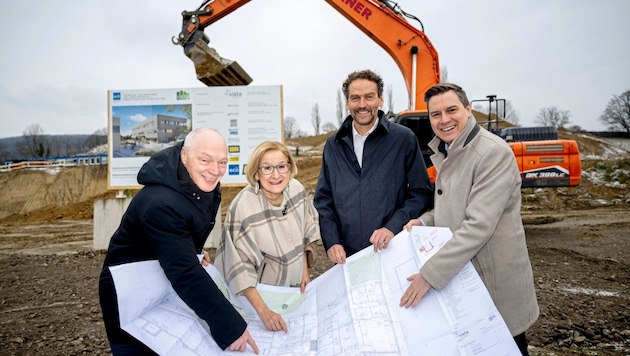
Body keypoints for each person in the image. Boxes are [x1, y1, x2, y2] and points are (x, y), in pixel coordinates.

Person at [400, 83, 539, 355]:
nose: (444, 120)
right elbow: (454, 206)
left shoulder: (491, 153)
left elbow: (478, 225)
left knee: (505, 345)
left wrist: (429, 275)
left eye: (451, 110)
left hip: (493, 278)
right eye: (435, 114)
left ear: (467, 109)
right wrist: (425, 221)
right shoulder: (449, 150)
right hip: (466, 277)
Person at [98, 128, 259, 355]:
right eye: (205, 160)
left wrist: (193, 251)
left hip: (160, 283)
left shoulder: (197, 184)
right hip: (130, 295)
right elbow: (185, 273)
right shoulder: (161, 204)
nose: (215, 170)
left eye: (222, 162)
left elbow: (180, 237)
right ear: (184, 156)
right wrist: (232, 327)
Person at [314, 69, 433, 264]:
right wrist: (332, 241)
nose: (362, 105)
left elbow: (421, 193)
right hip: (348, 257)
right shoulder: (333, 145)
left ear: (380, 100)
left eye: (369, 97)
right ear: (347, 102)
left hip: (393, 248)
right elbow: (324, 200)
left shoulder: (403, 139)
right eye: (355, 98)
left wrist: (393, 226)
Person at [214, 141, 321, 333]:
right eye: (267, 168)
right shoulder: (243, 208)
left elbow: (308, 228)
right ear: (256, 173)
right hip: (261, 295)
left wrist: (304, 269)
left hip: (294, 289)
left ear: (290, 167)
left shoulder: (296, 189)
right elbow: (239, 268)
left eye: (281, 166)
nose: (276, 175)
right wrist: (265, 313)